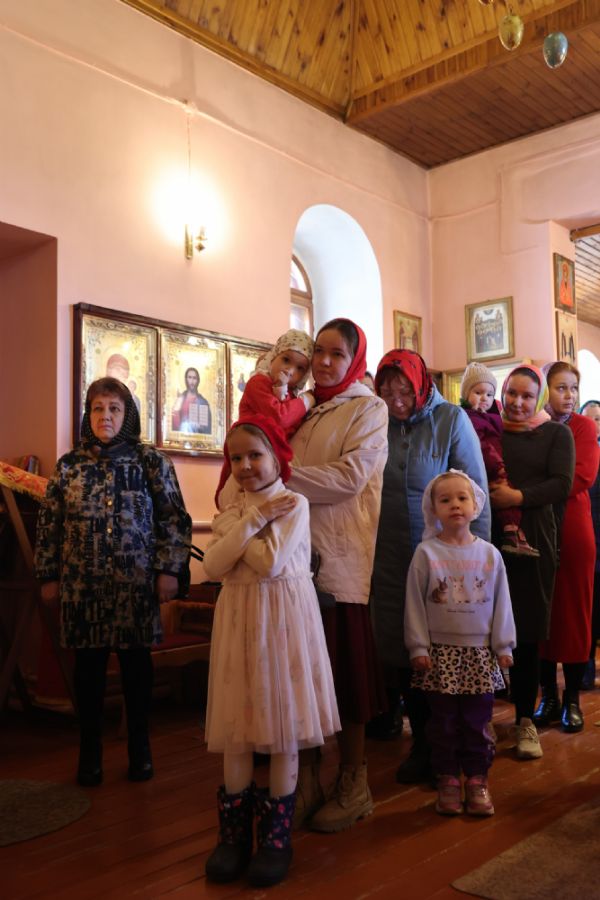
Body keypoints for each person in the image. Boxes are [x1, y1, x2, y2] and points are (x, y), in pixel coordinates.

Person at [203, 415, 339, 887]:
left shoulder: (294, 503)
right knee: (237, 729)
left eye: (254, 455)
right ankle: (233, 837)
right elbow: (213, 566)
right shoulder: (232, 510)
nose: (244, 466)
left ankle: (277, 839)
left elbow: (270, 561)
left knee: (283, 726)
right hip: (239, 619)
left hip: (281, 620)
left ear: (278, 457)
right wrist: (256, 520)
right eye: (235, 458)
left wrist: (241, 533)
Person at [34, 377, 192, 786]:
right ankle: (90, 754)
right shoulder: (68, 466)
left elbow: (174, 519)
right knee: (87, 674)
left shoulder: (150, 462)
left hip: (135, 589)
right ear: (88, 414)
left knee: (136, 670)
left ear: (128, 414)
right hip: (82, 589)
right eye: (98, 408)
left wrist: (169, 570)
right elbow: (49, 525)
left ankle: (140, 749)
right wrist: (48, 575)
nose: (106, 416)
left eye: (114, 408)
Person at [285, 318, 388, 833]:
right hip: (293, 560)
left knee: (346, 678)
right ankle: (308, 780)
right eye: (318, 352)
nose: (324, 362)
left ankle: (354, 783)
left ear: (354, 360)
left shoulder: (368, 408)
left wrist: (280, 477)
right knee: (302, 676)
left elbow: (350, 478)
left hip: (341, 558)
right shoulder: (303, 409)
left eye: (337, 354)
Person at [370, 349, 490, 784]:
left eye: (404, 391)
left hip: (445, 558)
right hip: (387, 556)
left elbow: (475, 491)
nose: (397, 401)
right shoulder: (375, 420)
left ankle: (452, 744)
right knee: (405, 648)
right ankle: (422, 741)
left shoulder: (450, 420)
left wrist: (478, 560)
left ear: (421, 385)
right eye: (387, 392)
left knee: (444, 648)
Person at [405, 471, 515, 817]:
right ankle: (448, 779)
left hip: (479, 655)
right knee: (443, 723)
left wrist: (503, 646)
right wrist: (418, 646)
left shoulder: (489, 554)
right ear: (433, 509)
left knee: (477, 722)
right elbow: (414, 603)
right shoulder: (426, 553)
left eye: (462, 498)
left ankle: (477, 779)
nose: (455, 505)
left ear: (475, 505)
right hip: (440, 655)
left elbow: (502, 602)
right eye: (446, 499)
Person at [489, 364, 574, 759]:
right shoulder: (490, 429)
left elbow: (562, 484)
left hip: (535, 539)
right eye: (512, 393)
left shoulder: (556, 434)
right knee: (482, 627)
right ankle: (481, 719)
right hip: (489, 538)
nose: (518, 403)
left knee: (525, 633)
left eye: (527, 396)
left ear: (538, 398)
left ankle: (525, 720)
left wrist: (517, 498)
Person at [533, 363, 599, 731]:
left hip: (573, 529)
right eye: (561, 387)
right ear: (545, 389)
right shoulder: (531, 425)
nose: (569, 395)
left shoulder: (584, 427)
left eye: (574, 387)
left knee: (574, 614)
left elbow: (581, 476)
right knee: (542, 614)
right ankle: (549, 697)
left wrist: (531, 491)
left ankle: (572, 699)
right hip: (538, 526)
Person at [214, 329, 315, 505]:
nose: (290, 370)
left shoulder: (290, 396)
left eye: (300, 368)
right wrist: (306, 401)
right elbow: (280, 418)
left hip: (269, 469)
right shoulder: (258, 382)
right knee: (236, 506)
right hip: (248, 458)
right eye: (286, 360)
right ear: (273, 356)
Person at [460, 362, 539, 557]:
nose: (484, 398)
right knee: (503, 496)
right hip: (487, 466)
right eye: (478, 392)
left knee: (507, 497)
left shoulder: (492, 417)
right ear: (466, 394)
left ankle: (513, 533)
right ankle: (512, 532)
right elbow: (482, 445)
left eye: (489, 394)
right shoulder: (468, 418)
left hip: (494, 464)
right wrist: (497, 465)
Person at [581, 400, 600, 690]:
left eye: (599, 418)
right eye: (591, 418)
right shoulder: (578, 451)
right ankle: (584, 665)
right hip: (588, 536)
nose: (595, 423)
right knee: (589, 609)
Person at [171, 366, 212, 434]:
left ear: (198, 381)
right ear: (186, 380)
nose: (192, 381)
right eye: (189, 377)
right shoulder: (180, 399)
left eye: (194, 378)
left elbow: (206, 428)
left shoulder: (203, 402)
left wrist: (198, 426)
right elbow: (174, 423)